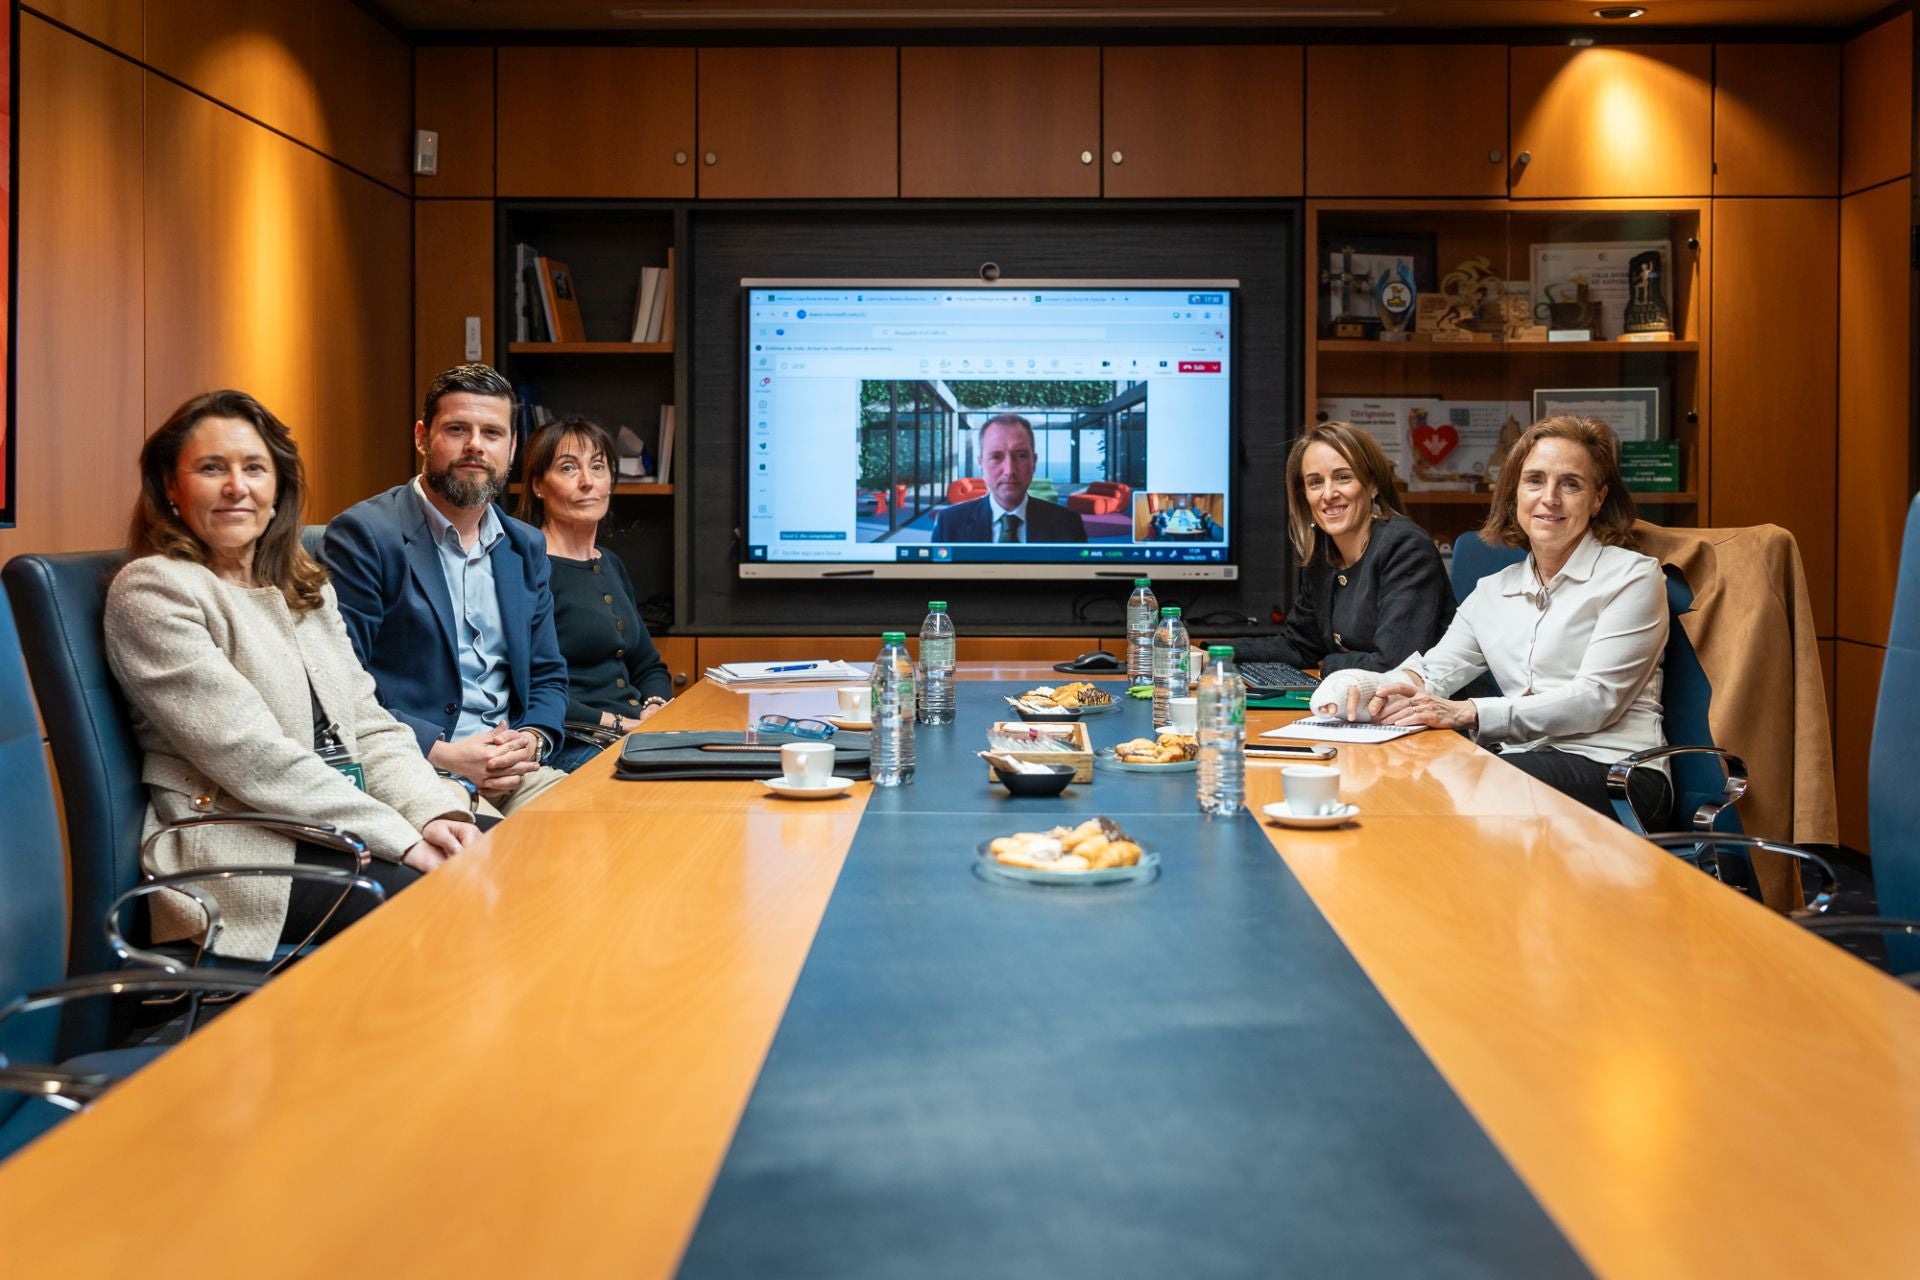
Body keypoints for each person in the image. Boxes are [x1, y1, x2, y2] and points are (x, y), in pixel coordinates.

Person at [103, 390, 481, 962]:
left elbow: (371, 727)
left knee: (499, 860)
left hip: (339, 821)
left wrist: (433, 814)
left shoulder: (304, 588)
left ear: (277, 487)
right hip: (244, 843)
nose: (237, 487)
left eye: (255, 468)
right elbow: (257, 760)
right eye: (212, 468)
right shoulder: (155, 591)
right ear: (171, 488)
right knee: (446, 902)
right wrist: (402, 839)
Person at [1336, 415, 1672, 825]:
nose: (1550, 498)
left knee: (1469, 781)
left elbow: (1594, 701)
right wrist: (1361, 690)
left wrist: (1470, 712)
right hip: (1526, 761)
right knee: (1408, 770)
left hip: (1620, 773)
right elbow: (1432, 673)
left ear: (1598, 498)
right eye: (1534, 480)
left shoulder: (1633, 576)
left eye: (1570, 483)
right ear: (1514, 494)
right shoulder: (1493, 590)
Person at [323, 364, 570, 816]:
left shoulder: (524, 545)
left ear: (512, 447)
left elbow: (548, 674)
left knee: (600, 834)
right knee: (488, 858)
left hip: (514, 769)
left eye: (492, 433)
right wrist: (441, 752)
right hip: (422, 766)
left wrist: (532, 739)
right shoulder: (366, 535)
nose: (475, 445)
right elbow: (338, 684)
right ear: (422, 437)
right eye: (457, 429)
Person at [1232, 421, 1451, 709]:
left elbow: (1394, 664)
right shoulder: (1325, 552)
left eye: (1343, 477)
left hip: (1434, 724)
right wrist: (1214, 652)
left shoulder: (1406, 547)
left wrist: (1331, 661)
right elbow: (1299, 645)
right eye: (1315, 482)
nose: (1328, 494)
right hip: (1366, 712)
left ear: (1372, 485)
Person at [517, 416, 674, 772]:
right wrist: (619, 723)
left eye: (598, 467)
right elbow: (525, 687)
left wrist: (654, 705)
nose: (587, 482)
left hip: (632, 732)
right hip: (571, 739)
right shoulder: (527, 566)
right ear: (539, 485)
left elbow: (648, 664)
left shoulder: (611, 563)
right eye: (569, 468)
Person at [931, 414, 1088, 543]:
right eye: (996, 456)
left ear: (1033, 462)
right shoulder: (949, 523)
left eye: (1020, 456)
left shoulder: (1068, 523)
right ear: (981, 463)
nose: (1009, 470)